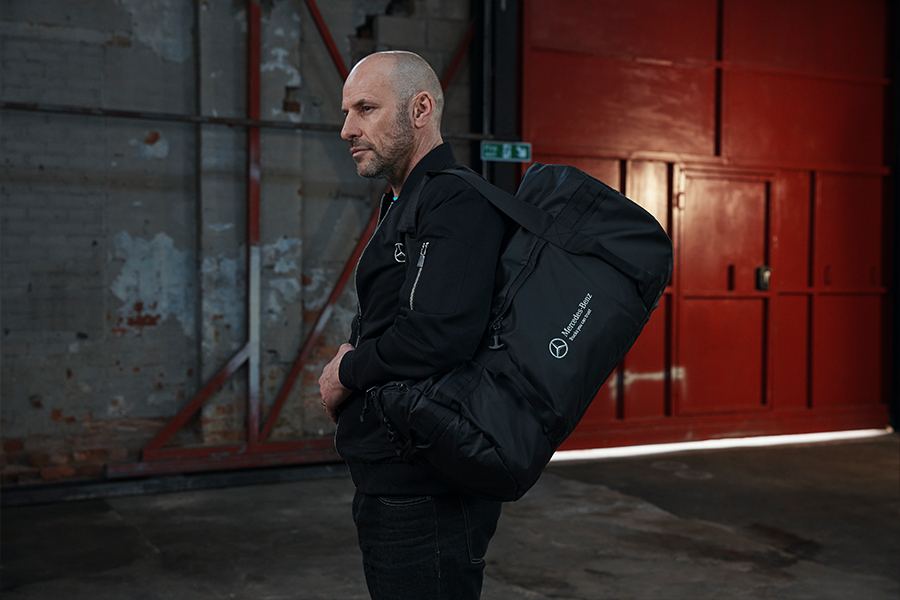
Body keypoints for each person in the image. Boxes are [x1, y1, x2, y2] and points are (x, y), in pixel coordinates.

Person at [318, 51, 508, 599]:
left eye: (366, 109)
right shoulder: (405, 201)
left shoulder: (455, 199)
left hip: (426, 483)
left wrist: (347, 371)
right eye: (348, 111)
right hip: (393, 471)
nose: (346, 128)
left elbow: (438, 333)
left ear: (420, 108)